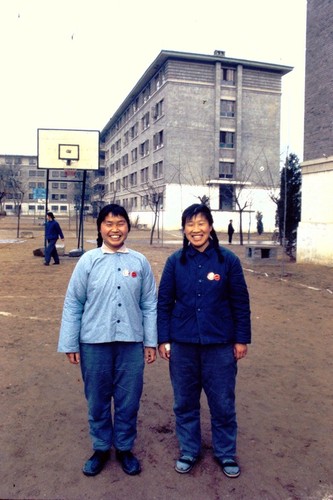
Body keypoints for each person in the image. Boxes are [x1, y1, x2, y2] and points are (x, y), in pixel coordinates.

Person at [58, 204, 157, 477]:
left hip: (131, 344)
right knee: (98, 399)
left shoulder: (139, 262)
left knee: (128, 400)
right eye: (109, 223)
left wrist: (150, 342)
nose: (115, 229)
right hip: (93, 343)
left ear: (128, 227)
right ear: (100, 227)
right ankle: (101, 447)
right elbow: (73, 303)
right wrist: (70, 343)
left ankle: (124, 448)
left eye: (121, 223)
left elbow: (150, 303)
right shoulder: (88, 261)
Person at [157, 204, 251, 478]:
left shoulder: (227, 261)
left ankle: (225, 453)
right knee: (184, 402)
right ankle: (189, 450)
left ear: (210, 227)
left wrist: (241, 339)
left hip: (220, 345)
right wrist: (164, 339)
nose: (195, 230)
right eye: (190, 224)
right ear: (184, 229)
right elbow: (164, 303)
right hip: (182, 344)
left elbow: (240, 303)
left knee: (222, 402)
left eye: (201, 224)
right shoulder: (175, 262)